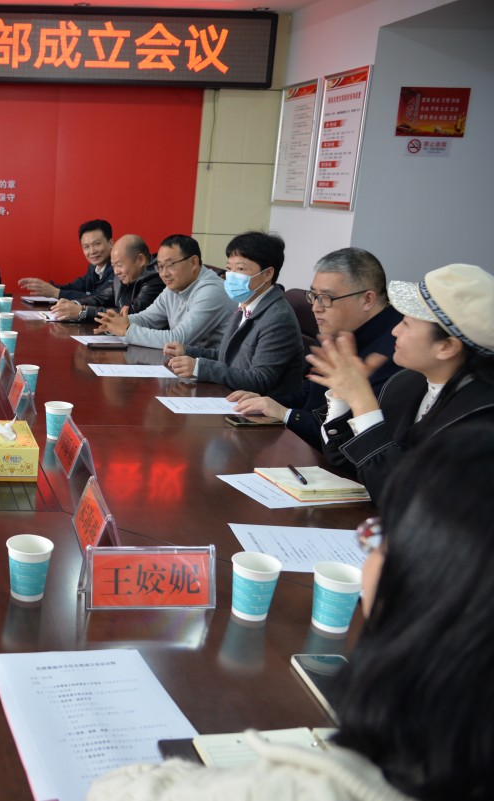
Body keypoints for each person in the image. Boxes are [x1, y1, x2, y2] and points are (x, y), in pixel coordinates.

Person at [87, 424, 494, 801]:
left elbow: (113, 791)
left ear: (428, 577)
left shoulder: (315, 788)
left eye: (381, 533)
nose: (367, 546)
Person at [314, 263, 494, 503]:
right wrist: (343, 396)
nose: (395, 331)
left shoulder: (480, 419)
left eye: (407, 324)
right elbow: (353, 463)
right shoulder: (405, 382)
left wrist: (362, 402)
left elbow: (408, 498)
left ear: (447, 346)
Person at [231, 248, 401, 450]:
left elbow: (350, 435)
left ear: (367, 300)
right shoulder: (341, 329)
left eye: (326, 298)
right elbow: (311, 391)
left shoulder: (394, 352)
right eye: (313, 295)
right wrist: (267, 402)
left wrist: (286, 414)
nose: (316, 307)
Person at [165, 231, 305, 403]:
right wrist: (188, 351)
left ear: (267, 274)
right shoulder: (246, 303)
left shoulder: (278, 318)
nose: (231, 275)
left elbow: (259, 379)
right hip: (234, 398)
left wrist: (200, 368)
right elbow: (228, 357)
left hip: (264, 411)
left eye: (240, 269)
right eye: (229, 268)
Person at [95, 234, 235, 350]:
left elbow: (178, 339)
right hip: (184, 363)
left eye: (169, 265)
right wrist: (117, 322)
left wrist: (127, 330)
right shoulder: (173, 287)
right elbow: (148, 318)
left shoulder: (211, 291)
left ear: (193, 262)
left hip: (211, 368)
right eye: (160, 266)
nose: (163, 274)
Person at [50, 234, 162, 322]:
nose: (116, 271)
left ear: (140, 260)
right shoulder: (124, 276)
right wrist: (74, 304)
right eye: (113, 266)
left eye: (119, 265)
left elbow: (131, 314)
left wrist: (83, 311)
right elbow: (101, 298)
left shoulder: (156, 277)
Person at [17, 219, 113, 300]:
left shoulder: (117, 269)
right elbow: (73, 288)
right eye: (86, 247)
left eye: (97, 244)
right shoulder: (93, 268)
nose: (92, 251)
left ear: (111, 243)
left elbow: (99, 299)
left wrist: (55, 292)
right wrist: (46, 288)